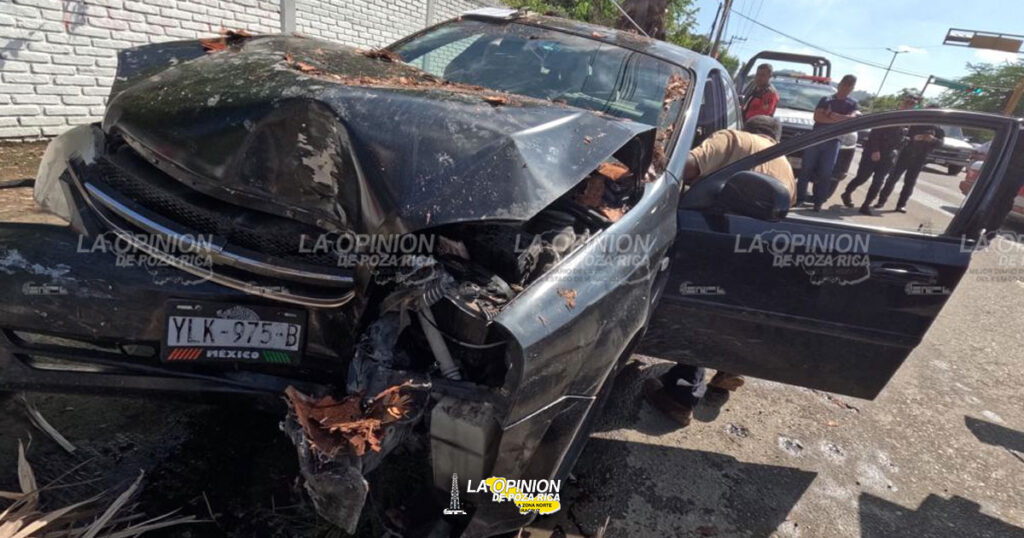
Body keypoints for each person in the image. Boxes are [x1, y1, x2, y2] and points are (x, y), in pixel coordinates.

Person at [645, 116, 794, 427]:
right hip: (758, 251)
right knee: (727, 312)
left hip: (714, 238)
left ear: (750, 127)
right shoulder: (786, 166)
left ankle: (680, 397)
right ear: (775, 138)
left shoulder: (735, 138)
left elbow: (687, 167)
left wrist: (653, 156)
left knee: (696, 313)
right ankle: (730, 367)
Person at [841, 95, 917, 215]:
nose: (909, 105)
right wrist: (875, 151)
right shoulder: (889, 116)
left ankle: (866, 205)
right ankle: (847, 193)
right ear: (901, 103)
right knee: (862, 177)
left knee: (878, 181)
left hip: (888, 156)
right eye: (907, 103)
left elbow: (904, 139)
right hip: (873, 152)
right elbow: (875, 134)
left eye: (912, 104)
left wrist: (899, 148)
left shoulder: (908, 121)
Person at [795, 75, 858, 212]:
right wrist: (839, 120)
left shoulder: (852, 103)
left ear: (852, 88)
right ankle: (799, 199)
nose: (845, 88)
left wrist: (831, 116)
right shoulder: (826, 99)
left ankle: (818, 202)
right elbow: (817, 117)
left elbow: (852, 120)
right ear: (839, 84)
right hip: (816, 139)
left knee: (826, 173)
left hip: (834, 142)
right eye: (844, 84)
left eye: (849, 86)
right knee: (805, 170)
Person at [871, 112, 944, 213]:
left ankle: (901, 205)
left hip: (920, 158)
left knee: (910, 182)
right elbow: (901, 136)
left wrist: (933, 139)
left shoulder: (937, 129)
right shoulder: (914, 123)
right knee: (892, 179)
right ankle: (881, 201)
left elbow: (941, 143)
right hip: (904, 155)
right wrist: (914, 138)